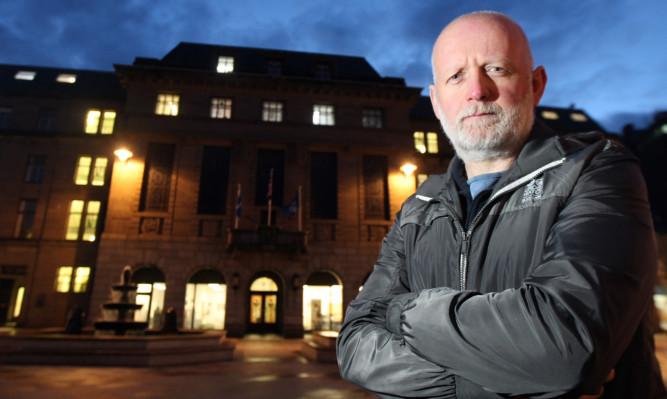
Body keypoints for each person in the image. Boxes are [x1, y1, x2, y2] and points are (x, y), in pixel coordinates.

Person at [336, 10, 665, 399]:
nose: (476, 90)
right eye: (455, 76)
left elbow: (564, 349)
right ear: (438, 102)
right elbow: (354, 345)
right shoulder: (417, 207)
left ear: (535, 84)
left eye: (496, 68)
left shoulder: (597, 169)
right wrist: (499, 384)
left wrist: (400, 311)